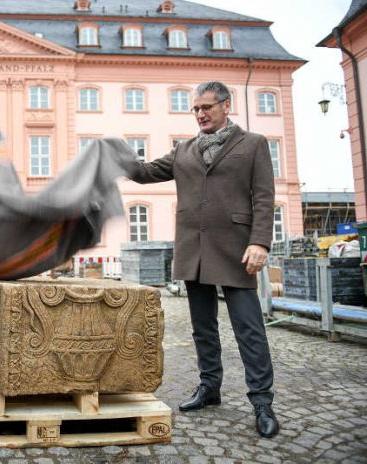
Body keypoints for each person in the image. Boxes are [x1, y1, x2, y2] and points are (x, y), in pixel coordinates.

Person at [124, 81, 280, 438]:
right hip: (194, 250)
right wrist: (116, 154)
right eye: (195, 109)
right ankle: (210, 388)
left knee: (249, 330)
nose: (200, 114)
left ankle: (262, 401)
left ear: (226, 106)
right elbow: (145, 173)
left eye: (207, 107)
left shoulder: (253, 144)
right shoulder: (184, 151)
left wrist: (260, 243)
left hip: (237, 249)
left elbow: (265, 197)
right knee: (202, 328)